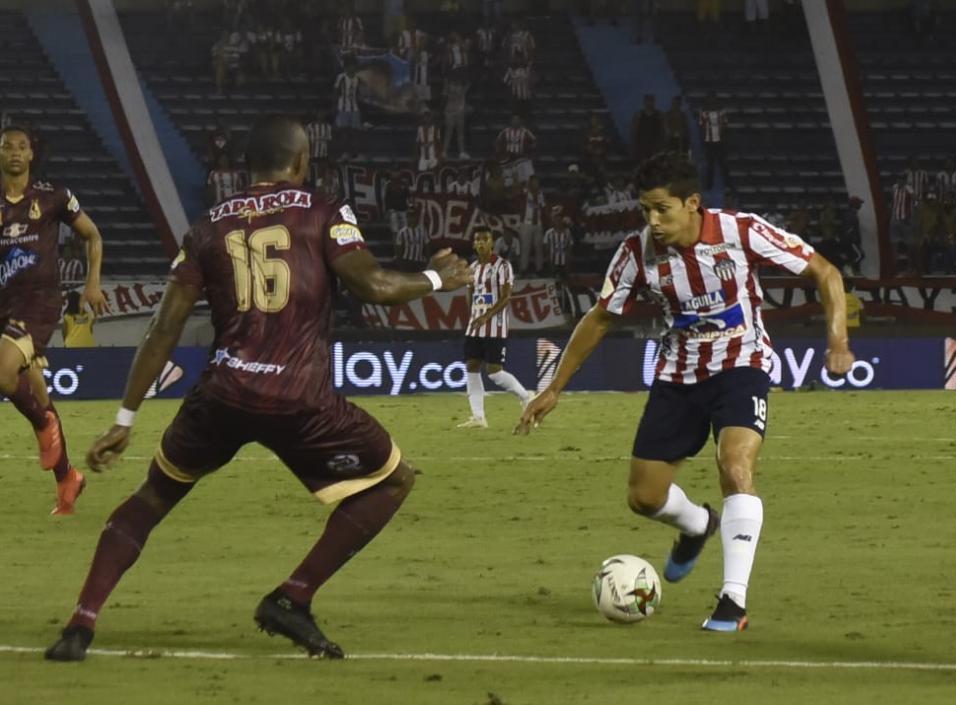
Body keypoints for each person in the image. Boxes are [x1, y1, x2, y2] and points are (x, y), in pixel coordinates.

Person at [43, 115, 472, 662]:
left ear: (248, 166)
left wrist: (124, 419)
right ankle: (293, 597)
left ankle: (79, 625)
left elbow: (164, 326)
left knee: (152, 497)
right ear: (301, 161)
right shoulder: (323, 210)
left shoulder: (207, 227)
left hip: (223, 394)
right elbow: (374, 285)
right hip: (300, 398)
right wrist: (439, 279)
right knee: (393, 480)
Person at [516, 152, 853, 631]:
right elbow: (601, 317)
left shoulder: (741, 231)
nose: (652, 221)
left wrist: (838, 342)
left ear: (692, 203)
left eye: (662, 209)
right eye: (645, 210)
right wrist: (554, 387)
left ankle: (732, 600)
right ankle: (697, 524)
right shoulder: (636, 254)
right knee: (643, 496)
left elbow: (826, 272)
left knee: (735, 466)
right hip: (678, 374)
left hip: (742, 363)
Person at [0, 125, 105, 515]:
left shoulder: (53, 196)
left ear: (31, 154)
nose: (14, 152)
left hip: (39, 303)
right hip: (4, 304)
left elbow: (93, 236)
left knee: (3, 373)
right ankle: (68, 480)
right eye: (7, 146)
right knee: (39, 397)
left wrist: (92, 283)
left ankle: (46, 427)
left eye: (21, 146)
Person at [459, 227, 533, 429]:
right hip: (475, 326)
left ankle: (526, 397)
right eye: (477, 239)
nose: (481, 243)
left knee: (494, 372)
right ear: (473, 244)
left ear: (492, 242)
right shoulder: (473, 267)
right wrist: (473, 315)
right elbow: (470, 292)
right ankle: (478, 417)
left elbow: (506, 296)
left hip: (495, 326)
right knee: (471, 366)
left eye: (485, 239)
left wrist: (486, 315)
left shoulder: (502, 266)